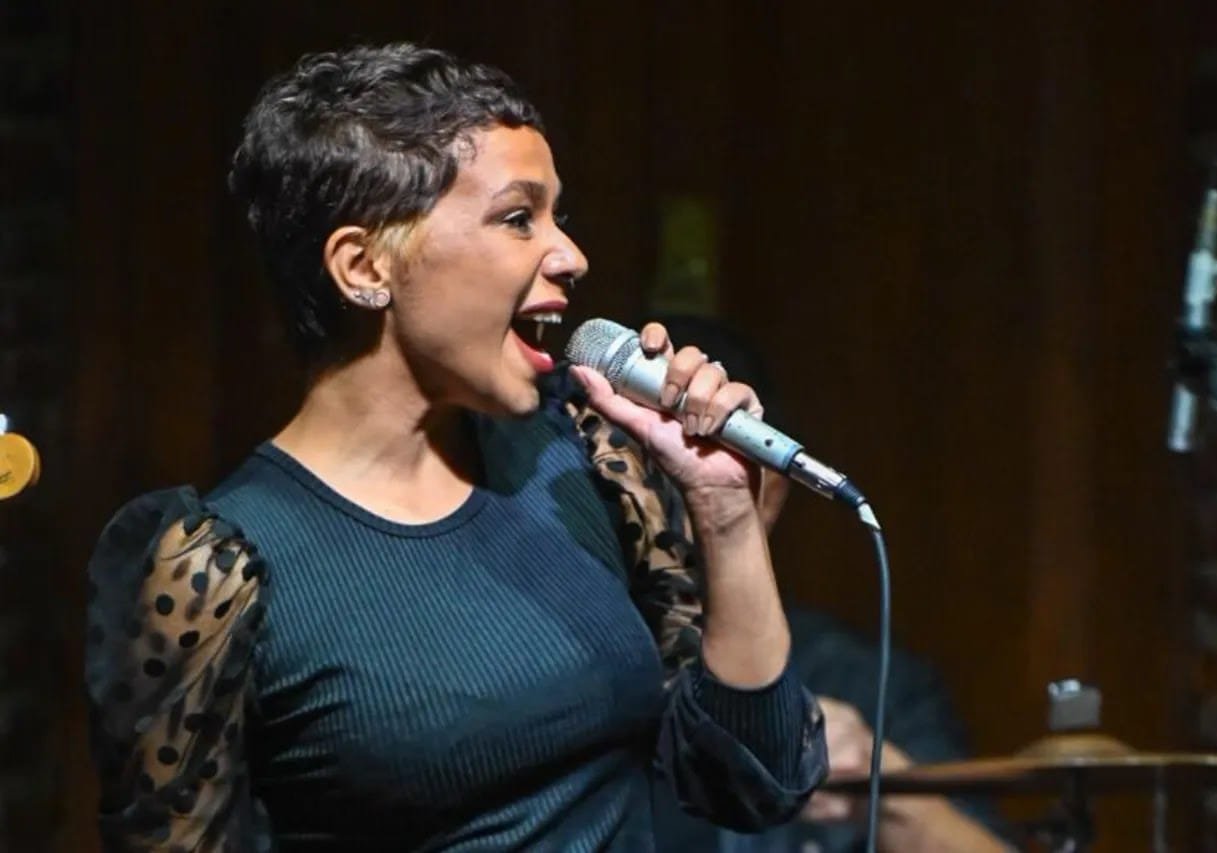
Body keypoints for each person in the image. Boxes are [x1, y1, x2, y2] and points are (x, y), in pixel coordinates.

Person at [83, 45, 829, 851]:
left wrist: (723, 514)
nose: (571, 257)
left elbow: (754, 781)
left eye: (558, 217)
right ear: (365, 265)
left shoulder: (577, 456)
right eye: (518, 218)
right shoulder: (214, 566)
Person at [643, 314, 1015, 852]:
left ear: (767, 490)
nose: (673, 508)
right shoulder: (575, 663)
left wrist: (878, 786)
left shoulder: (858, 675)